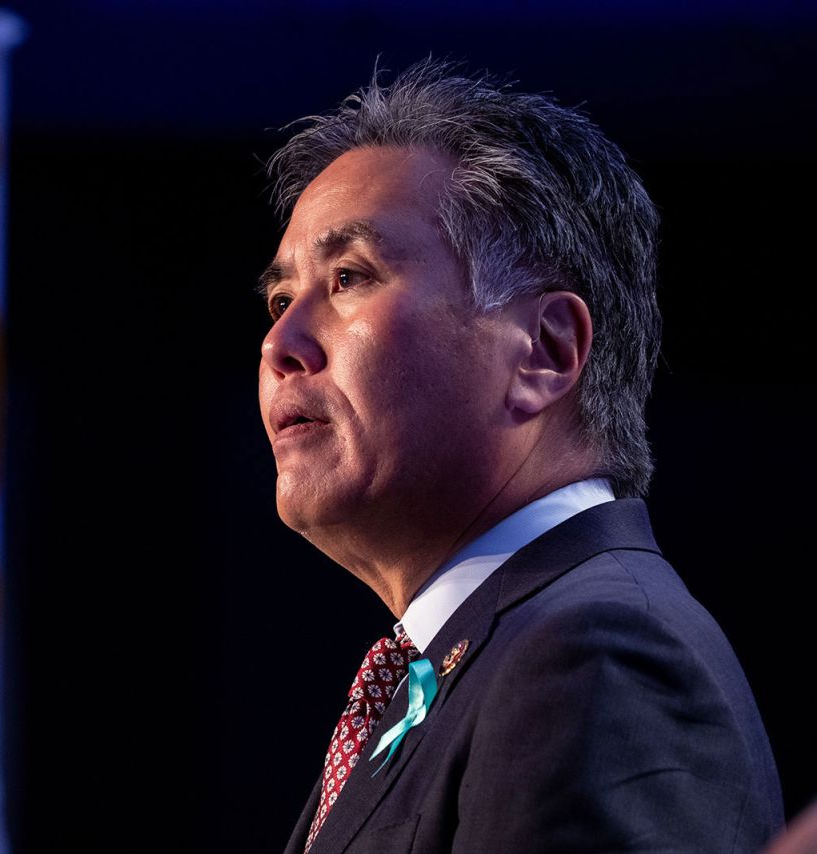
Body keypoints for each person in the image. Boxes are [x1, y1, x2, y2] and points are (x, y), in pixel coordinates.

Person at [257, 59, 784, 854]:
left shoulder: (597, 658)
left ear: (544, 351)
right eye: (279, 299)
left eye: (349, 277)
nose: (280, 343)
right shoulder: (463, 664)